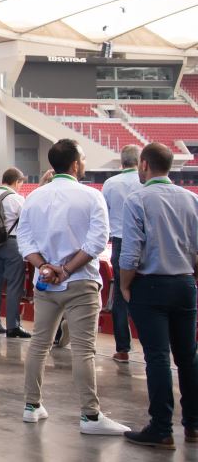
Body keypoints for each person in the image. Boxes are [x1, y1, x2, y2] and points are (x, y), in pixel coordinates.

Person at [16, 138, 129, 434]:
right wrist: (65, 269)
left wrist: (45, 267)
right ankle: (90, 416)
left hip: (45, 282)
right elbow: (95, 243)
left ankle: (31, 405)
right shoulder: (91, 197)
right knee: (83, 350)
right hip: (80, 282)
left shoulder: (34, 197)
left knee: (39, 344)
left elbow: (25, 241)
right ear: (76, 164)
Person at [117, 143, 198, 448]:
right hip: (184, 283)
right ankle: (193, 424)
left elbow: (131, 253)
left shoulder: (137, 199)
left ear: (145, 165)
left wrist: (125, 285)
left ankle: (162, 427)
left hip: (151, 285)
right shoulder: (191, 199)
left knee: (158, 357)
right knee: (188, 356)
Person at [102, 144, 143, 364]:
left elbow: (104, 216)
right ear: (140, 161)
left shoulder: (110, 183)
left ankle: (123, 349)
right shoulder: (144, 181)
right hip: (144, 243)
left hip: (119, 243)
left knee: (120, 295)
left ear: (122, 161)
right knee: (146, 292)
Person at [0, 167, 29, 338]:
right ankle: (13, 325)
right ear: (16, 181)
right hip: (11, 243)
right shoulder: (16, 199)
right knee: (14, 285)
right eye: (20, 184)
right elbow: (28, 221)